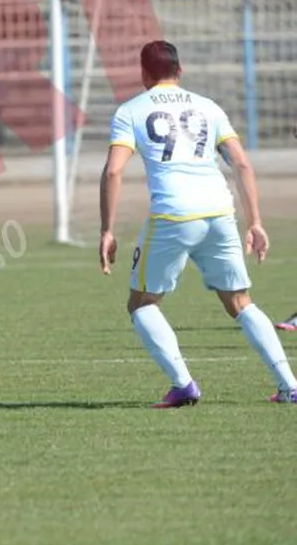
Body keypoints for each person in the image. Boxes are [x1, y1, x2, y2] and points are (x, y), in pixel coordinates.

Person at [98, 40, 297, 406]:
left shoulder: (131, 110)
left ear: (143, 73)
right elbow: (241, 163)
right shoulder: (208, 107)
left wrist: (107, 230)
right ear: (180, 70)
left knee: (141, 304)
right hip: (220, 211)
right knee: (240, 302)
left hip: (173, 214)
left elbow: (113, 171)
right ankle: (290, 386)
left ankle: (183, 384)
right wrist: (255, 222)